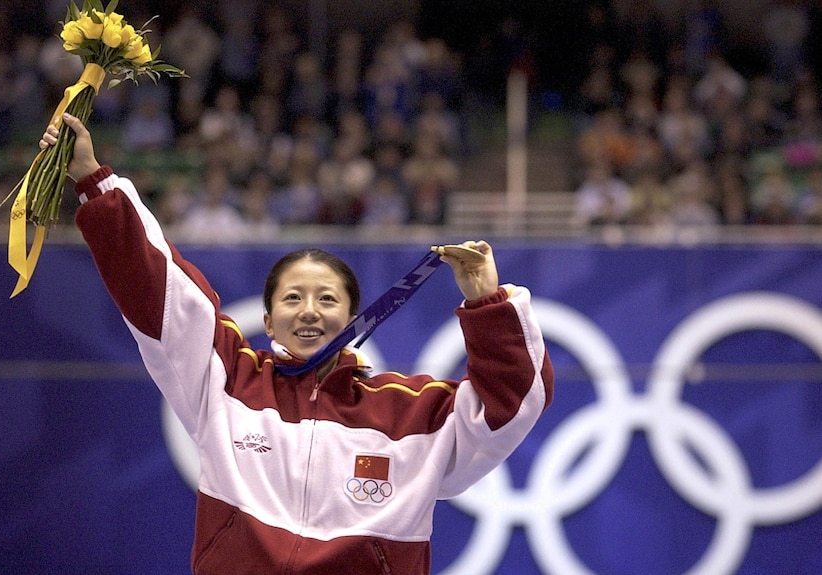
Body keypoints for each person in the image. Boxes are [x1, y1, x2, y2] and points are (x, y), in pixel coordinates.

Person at [40, 113, 554, 575]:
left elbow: (509, 404)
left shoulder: (413, 414)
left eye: (326, 298)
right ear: (268, 318)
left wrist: (488, 305)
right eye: (293, 297)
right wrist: (93, 180)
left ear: (354, 318)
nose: (309, 310)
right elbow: (162, 292)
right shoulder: (227, 383)